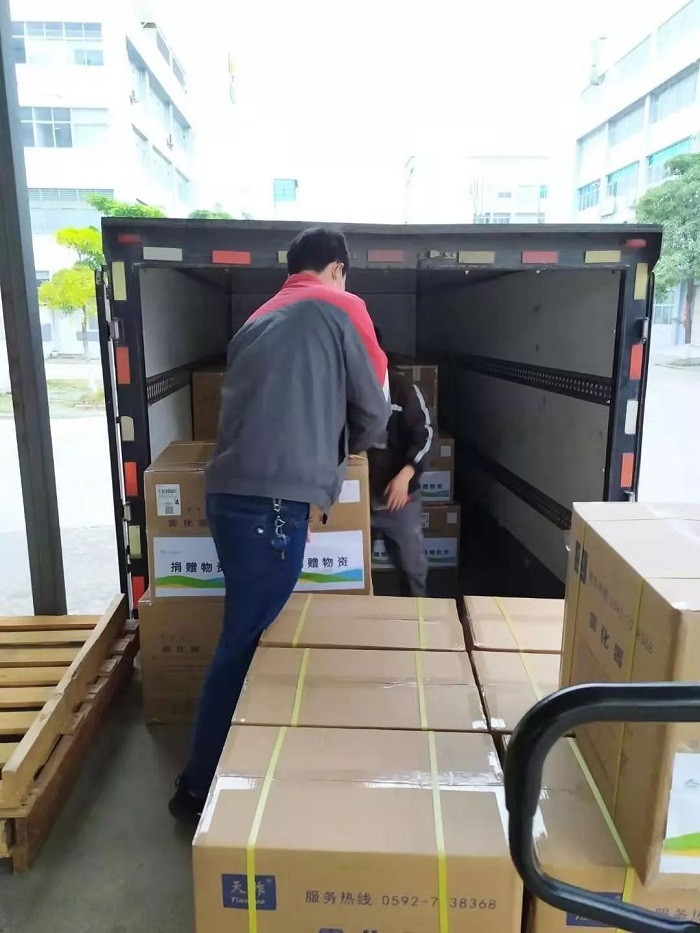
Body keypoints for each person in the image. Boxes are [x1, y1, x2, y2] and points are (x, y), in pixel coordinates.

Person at [169, 228, 389, 823]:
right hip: (268, 509)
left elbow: (263, 415)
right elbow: (373, 408)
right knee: (241, 645)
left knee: (243, 635)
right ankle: (196, 788)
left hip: (235, 498)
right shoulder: (343, 306)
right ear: (338, 268)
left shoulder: (257, 319)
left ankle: (222, 769)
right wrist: (335, 455)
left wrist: (294, 496)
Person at [368, 326, 432, 597]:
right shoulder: (342, 390)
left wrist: (405, 476)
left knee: (412, 569)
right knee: (352, 572)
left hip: (399, 498)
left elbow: (425, 436)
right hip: (359, 499)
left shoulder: (404, 390)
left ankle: (418, 619)